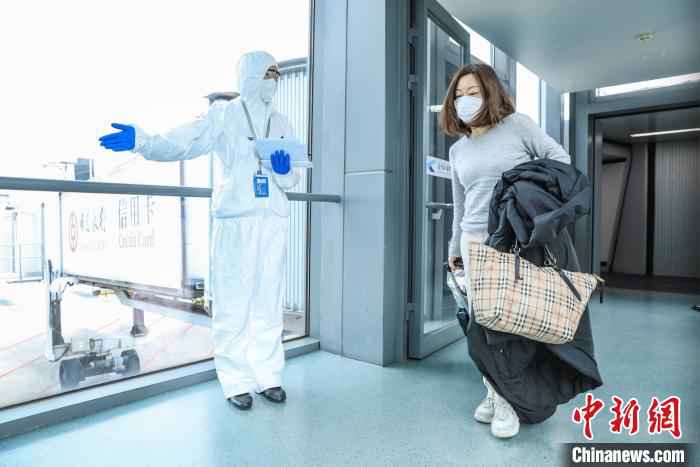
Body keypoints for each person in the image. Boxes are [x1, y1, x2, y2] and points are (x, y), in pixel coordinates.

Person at [99, 51, 300, 411]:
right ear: (249, 77)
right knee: (233, 303)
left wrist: (284, 171)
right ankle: (236, 380)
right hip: (236, 221)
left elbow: (294, 176)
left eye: (276, 75)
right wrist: (143, 141)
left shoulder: (282, 121)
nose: (273, 81)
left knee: (268, 303)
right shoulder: (225, 115)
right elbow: (185, 141)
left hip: (273, 221)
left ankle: (268, 375)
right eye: (267, 74)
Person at [441, 63, 602, 438]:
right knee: (483, 324)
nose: (465, 101)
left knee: (513, 323)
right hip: (473, 241)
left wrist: (521, 185)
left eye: (473, 93)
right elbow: (460, 206)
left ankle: (509, 396)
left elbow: (560, 162)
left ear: (491, 93)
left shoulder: (517, 126)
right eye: (458, 95)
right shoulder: (458, 150)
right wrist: (453, 247)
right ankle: (497, 395)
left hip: (514, 238)